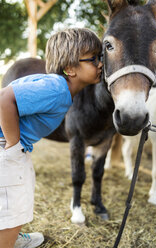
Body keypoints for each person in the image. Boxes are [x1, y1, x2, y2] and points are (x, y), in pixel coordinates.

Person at [0, 28, 103, 248]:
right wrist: (13, 144)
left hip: (11, 146)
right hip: (5, 147)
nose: (100, 64)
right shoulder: (56, 88)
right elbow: (4, 99)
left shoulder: (56, 86)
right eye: (93, 59)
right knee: (13, 202)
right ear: (70, 68)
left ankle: (10, 237)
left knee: (16, 196)